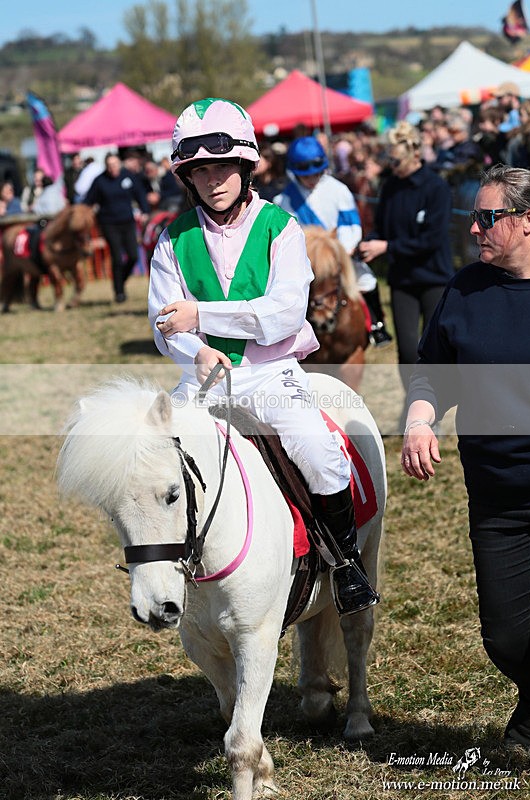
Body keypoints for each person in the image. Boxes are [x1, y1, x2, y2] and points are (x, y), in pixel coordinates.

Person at [148, 97, 379, 616]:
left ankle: (347, 568)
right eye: (201, 169)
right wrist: (195, 351)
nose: (214, 179)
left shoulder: (283, 228)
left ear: (246, 166)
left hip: (269, 373)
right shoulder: (171, 239)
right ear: (187, 176)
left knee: (319, 451)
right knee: (158, 458)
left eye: (225, 165)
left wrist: (200, 316)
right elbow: (164, 323)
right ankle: (172, 568)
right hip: (203, 381)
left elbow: (281, 315)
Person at [402, 164, 530, 750]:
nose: (474, 229)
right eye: (471, 218)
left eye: (487, 218)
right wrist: (419, 418)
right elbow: (432, 374)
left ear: (529, 222)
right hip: (498, 496)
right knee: (505, 638)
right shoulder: (463, 290)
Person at [358, 121, 454, 420]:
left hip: (434, 277)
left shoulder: (436, 187)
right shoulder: (390, 187)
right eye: (389, 159)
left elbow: (432, 238)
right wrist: (369, 242)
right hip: (403, 280)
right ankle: (416, 405)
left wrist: (387, 247)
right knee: (407, 351)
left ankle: (433, 408)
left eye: (396, 160)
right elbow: (381, 228)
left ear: (414, 153)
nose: (392, 165)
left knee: (434, 351)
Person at [274, 135, 393, 347]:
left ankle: (377, 325)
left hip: (339, 254)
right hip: (306, 260)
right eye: (306, 175)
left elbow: (351, 225)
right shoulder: (283, 201)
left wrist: (343, 250)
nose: (312, 179)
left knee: (367, 281)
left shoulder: (338, 190)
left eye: (316, 173)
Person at [85, 152, 149, 302]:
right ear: (106, 166)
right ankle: (119, 292)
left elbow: (139, 194)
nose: (113, 168)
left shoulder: (128, 176)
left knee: (133, 256)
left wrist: (145, 211)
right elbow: (89, 201)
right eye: (109, 166)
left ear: (119, 164)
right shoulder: (100, 181)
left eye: (115, 165)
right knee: (117, 258)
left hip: (127, 221)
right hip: (109, 223)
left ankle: (121, 280)